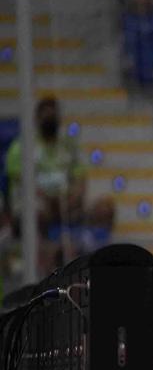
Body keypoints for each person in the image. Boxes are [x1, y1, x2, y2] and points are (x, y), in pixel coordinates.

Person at [5, 96, 88, 273]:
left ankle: (89, 267)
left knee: (105, 208)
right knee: (39, 211)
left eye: (53, 116)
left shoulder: (69, 146)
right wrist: (50, 198)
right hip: (32, 205)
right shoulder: (21, 147)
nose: (50, 120)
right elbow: (23, 183)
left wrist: (72, 197)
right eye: (46, 117)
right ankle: (42, 263)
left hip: (65, 204)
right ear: (36, 119)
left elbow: (81, 181)